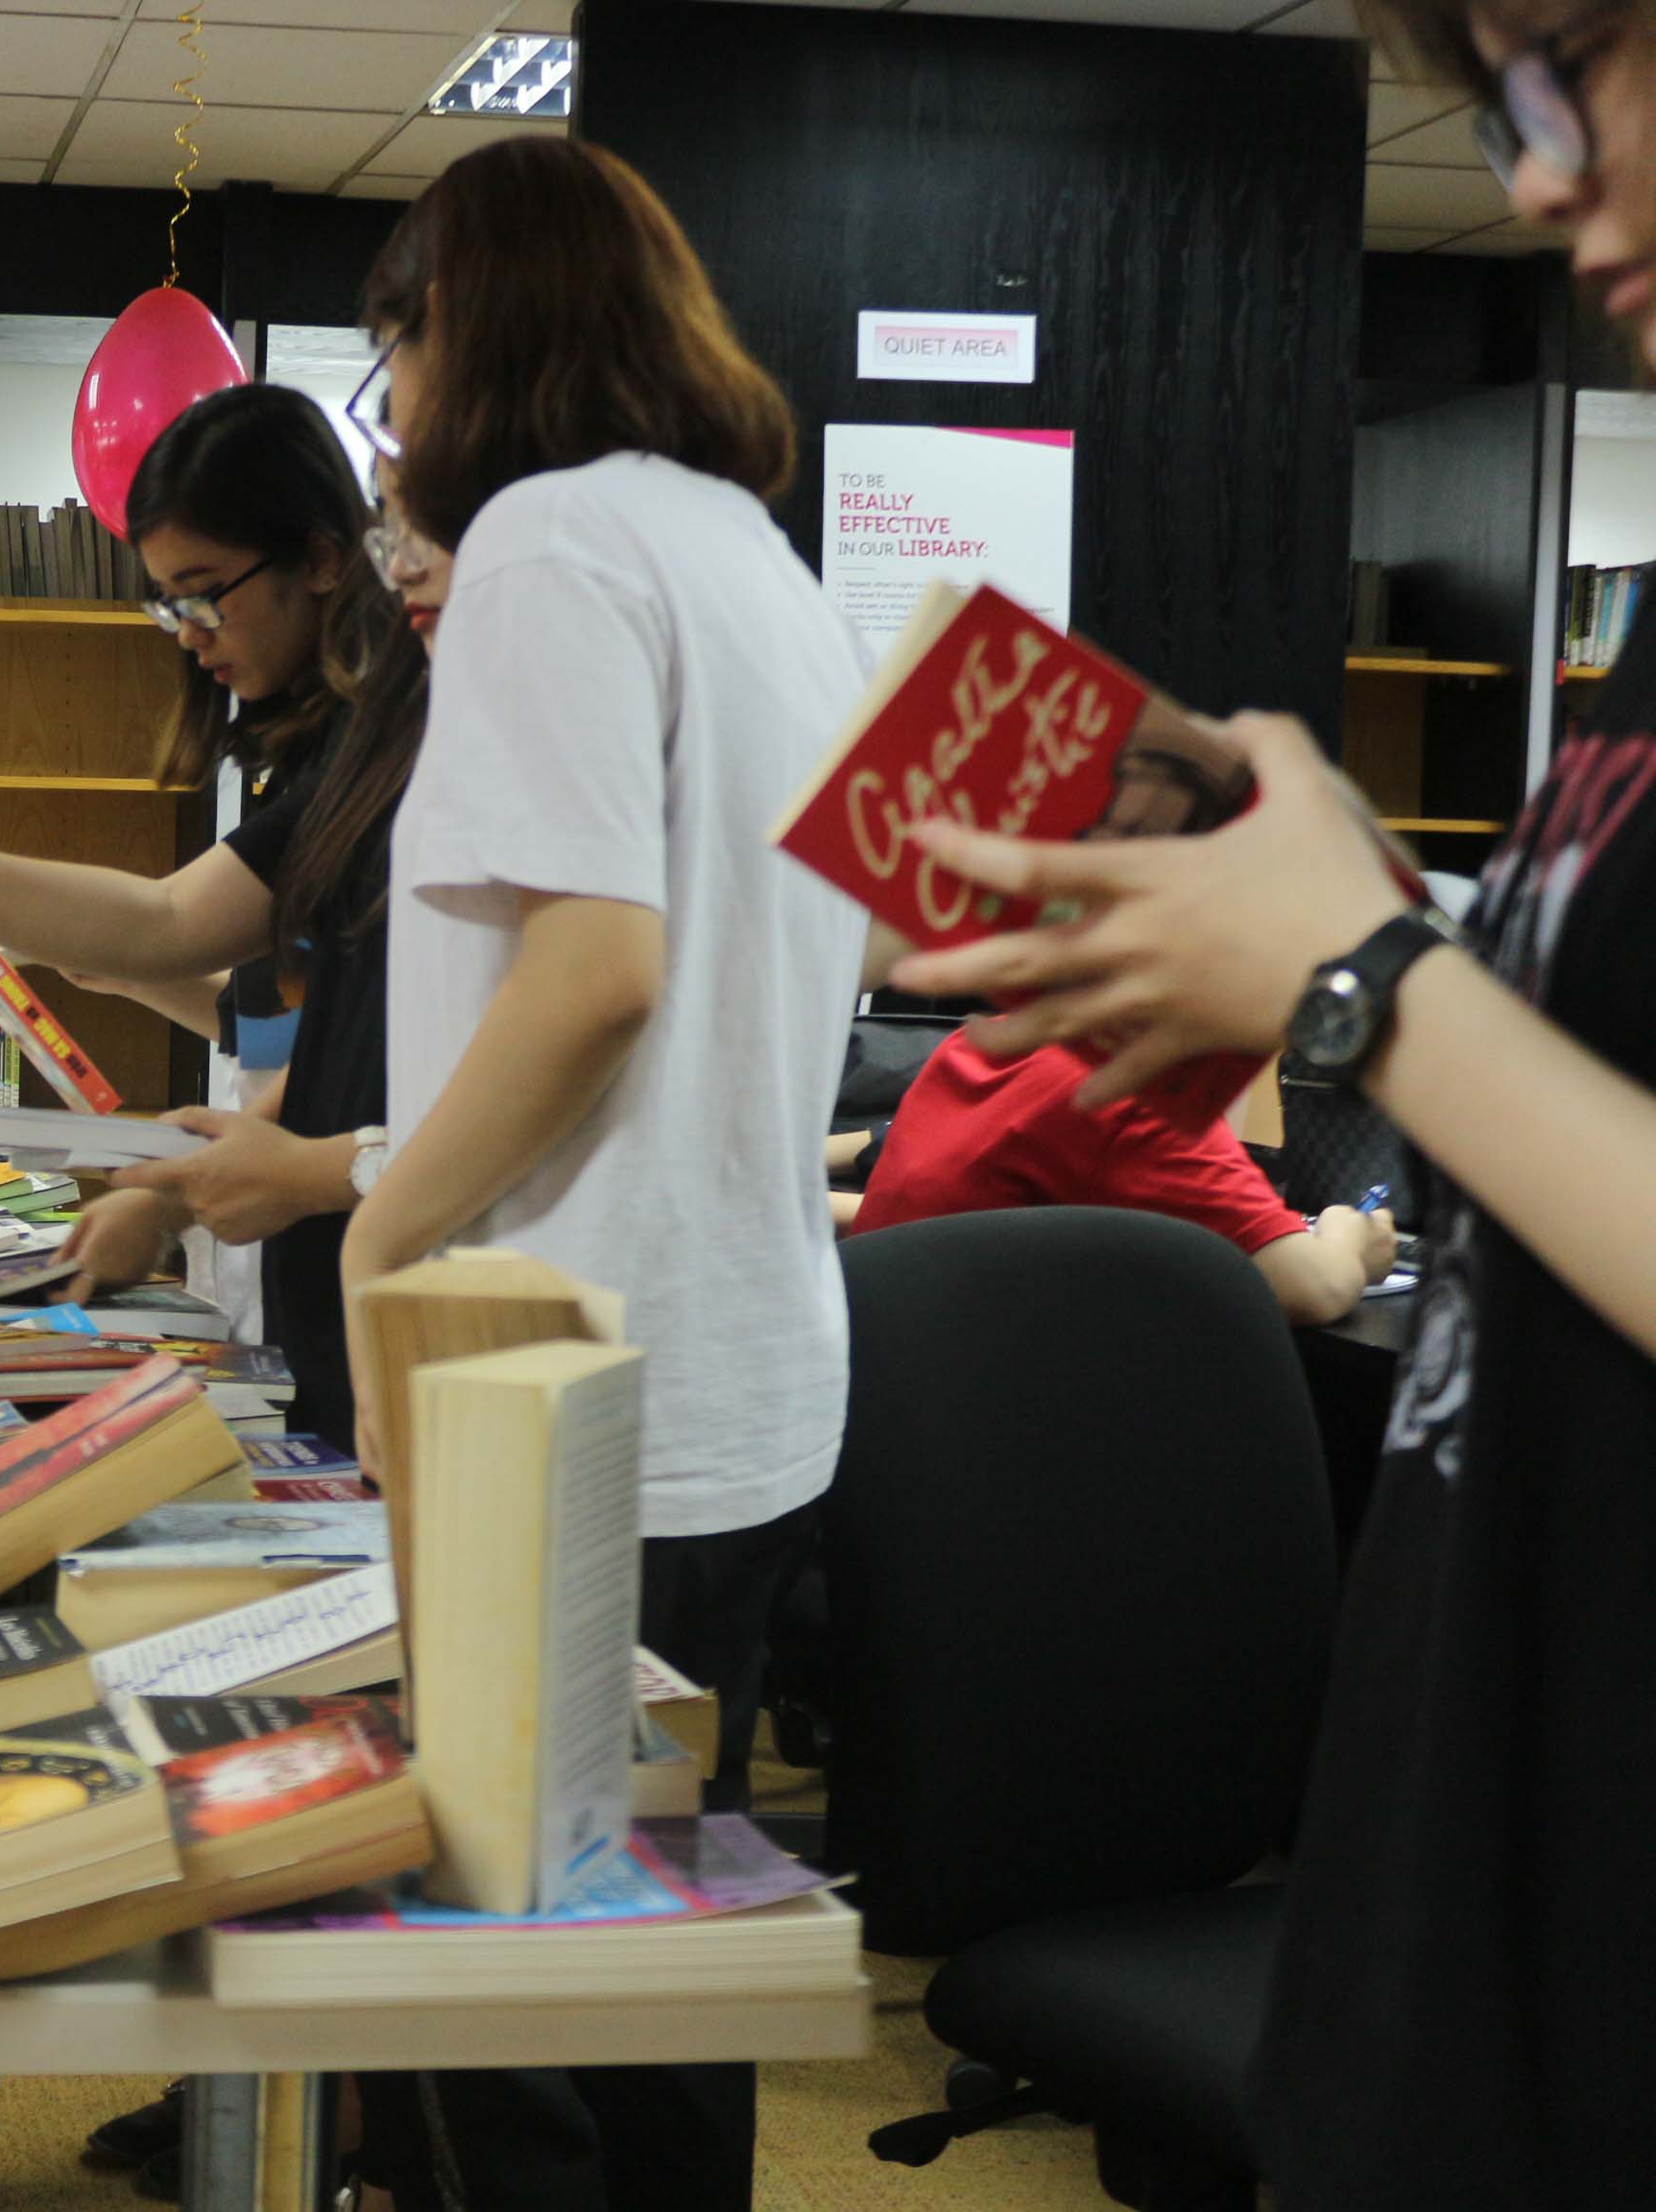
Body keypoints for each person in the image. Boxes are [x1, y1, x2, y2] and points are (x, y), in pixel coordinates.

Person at [887, 6, 1656, 2200]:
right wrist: (1318, 905)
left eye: (1571, 60)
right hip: (1463, 1919)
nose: (1532, 174)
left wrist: (1364, 980)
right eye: (1495, 105)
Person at [328, 136, 871, 2211]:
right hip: (738, 1373)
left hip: (558, 1376)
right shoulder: (760, 565)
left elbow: (597, 972)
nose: (394, 410)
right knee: (652, 1979)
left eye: (396, 352)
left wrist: (387, 1222)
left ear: (463, 330)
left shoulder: (551, 541)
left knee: (514, 2017)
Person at [0, 384, 399, 1448]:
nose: (190, 637)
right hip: (336, 1302)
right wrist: (175, 1190)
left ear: (324, 558)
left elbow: (168, 921)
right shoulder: (325, 755)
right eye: (168, 605)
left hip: (395, 1311)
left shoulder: (385, 750)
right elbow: (312, 1032)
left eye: (205, 595)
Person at [848, 1029, 1401, 1323]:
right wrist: (1349, 1240)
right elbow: (1317, 1289)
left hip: (890, 1401)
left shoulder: (986, 1042)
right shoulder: (1135, 1091)